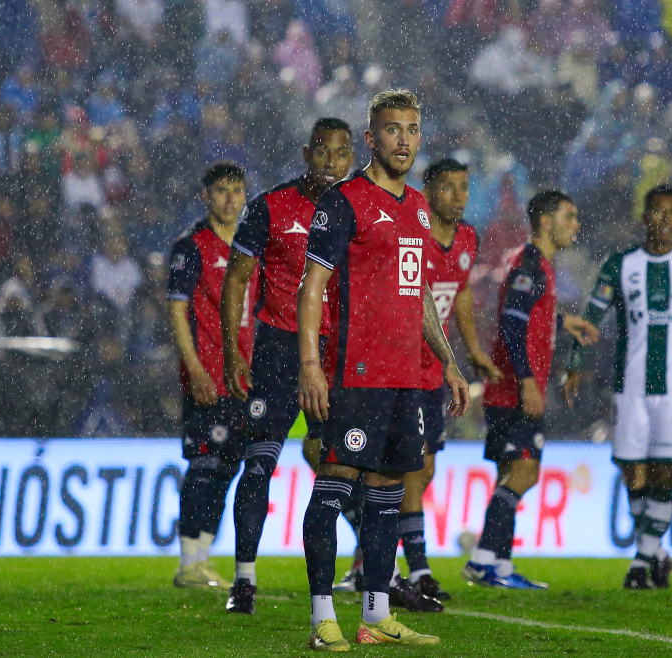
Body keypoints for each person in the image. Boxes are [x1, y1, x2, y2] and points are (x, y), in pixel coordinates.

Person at [297, 89, 470, 650]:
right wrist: (310, 367)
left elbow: (416, 292)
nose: (404, 140)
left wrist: (447, 361)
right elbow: (312, 287)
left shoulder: (419, 207)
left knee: (388, 494)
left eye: (413, 130)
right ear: (371, 138)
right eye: (393, 130)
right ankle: (323, 617)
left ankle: (375, 615)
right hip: (355, 374)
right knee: (334, 486)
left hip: (406, 379)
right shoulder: (344, 202)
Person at [564, 185, 672, 590]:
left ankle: (641, 562)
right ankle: (656, 552)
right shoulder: (620, 265)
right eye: (658, 212)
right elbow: (592, 316)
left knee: (664, 472)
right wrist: (575, 364)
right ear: (644, 218)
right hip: (630, 387)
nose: (666, 220)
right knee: (633, 473)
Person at [219, 117, 354, 614]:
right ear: (306, 152)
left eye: (341, 154)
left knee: (340, 464)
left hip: (335, 354)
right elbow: (236, 281)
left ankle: (364, 566)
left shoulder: (359, 210)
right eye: (322, 151)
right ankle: (244, 581)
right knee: (258, 465)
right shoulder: (270, 207)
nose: (332, 162)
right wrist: (235, 351)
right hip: (277, 351)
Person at [462, 190, 598, 589]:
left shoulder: (539, 267)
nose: (575, 225)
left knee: (512, 471)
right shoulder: (530, 265)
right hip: (513, 390)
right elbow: (511, 323)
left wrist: (561, 321)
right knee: (525, 471)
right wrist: (527, 383)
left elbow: (529, 316)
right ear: (545, 221)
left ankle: (499, 566)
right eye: (568, 216)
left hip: (510, 388)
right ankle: (484, 558)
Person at [399, 157, 502, 600]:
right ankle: (417, 571)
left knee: (424, 467)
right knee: (408, 469)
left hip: (433, 371)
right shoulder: (411, 233)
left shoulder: (466, 237)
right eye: (448, 188)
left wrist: (474, 350)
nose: (459, 196)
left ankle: (384, 560)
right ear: (428, 190)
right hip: (399, 367)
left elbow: (458, 291)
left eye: (464, 187)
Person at [166, 162, 258, 590]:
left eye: (236, 191)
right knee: (204, 465)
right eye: (221, 190)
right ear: (206, 196)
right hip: (209, 376)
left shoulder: (252, 247)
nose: (229, 199)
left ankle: (201, 559)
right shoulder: (191, 247)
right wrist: (196, 369)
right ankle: (188, 561)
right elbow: (177, 311)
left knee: (227, 467)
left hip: (245, 378)